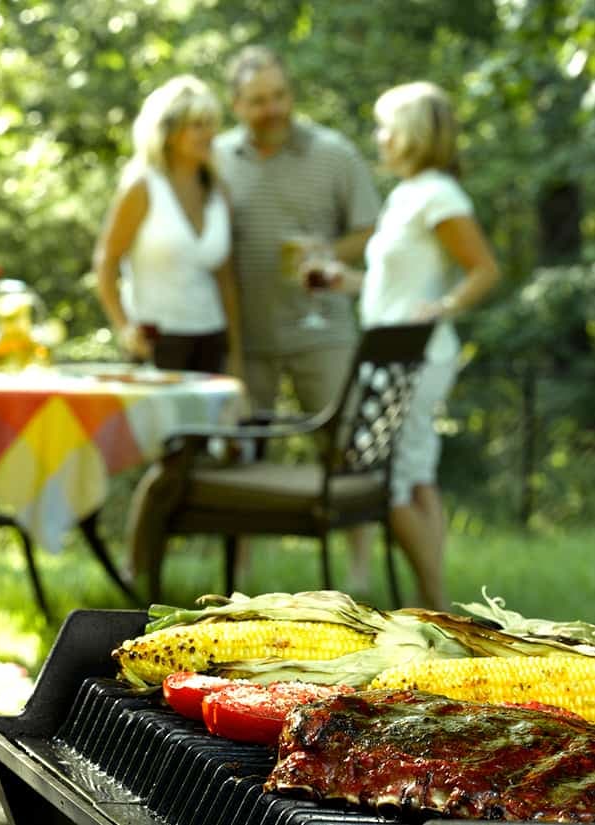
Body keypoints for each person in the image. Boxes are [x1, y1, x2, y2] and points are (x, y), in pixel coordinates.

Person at [311, 81, 500, 609]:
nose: (380, 137)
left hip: (415, 359)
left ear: (413, 132)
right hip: (391, 358)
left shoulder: (440, 194)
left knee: (391, 480)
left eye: (386, 125)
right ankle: (434, 605)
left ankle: (432, 605)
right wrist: (338, 280)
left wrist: (442, 307)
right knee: (415, 475)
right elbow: (386, 284)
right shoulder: (405, 194)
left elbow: (484, 269)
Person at [213, 45, 381, 592]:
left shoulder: (333, 153)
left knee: (346, 443)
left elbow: (369, 228)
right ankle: (238, 575)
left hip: (323, 329)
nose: (273, 108)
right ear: (237, 105)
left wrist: (328, 254)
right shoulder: (216, 158)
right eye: (259, 100)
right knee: (243, 453)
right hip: (248, 336)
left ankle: (358, 573)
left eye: (280, 95)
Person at [94, 75, 242, 375]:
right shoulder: (142, 186)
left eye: (212, 123)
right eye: (197, 125)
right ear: (170, 132)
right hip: (156, 341)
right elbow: (106, 261)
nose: (209, 134)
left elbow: (225, 278)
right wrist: (124, 328)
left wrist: (236, 353)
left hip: (211, 338)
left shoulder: (217, 190)